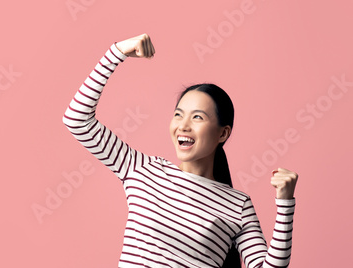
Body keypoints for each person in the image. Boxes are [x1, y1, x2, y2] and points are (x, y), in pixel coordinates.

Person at [62, 33, 298, 268]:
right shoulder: (142, 170)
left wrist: (285, 203)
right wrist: (117, 53)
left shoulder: (238, 205)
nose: (183, 126)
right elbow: (77, 120)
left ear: (223, 134)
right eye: (178, 115)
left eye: (197, 117)